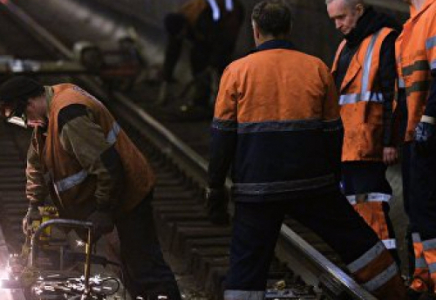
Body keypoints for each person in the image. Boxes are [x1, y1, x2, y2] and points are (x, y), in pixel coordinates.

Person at [205, 1, 407, 299]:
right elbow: (332, 132)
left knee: (246, 265)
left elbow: (222, 138)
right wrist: (330, 179)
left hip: (256, 187)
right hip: (312, 182)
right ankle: (395, 293)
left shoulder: (236, 72)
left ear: (255, 30)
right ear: (289, 28)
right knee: (357, 241)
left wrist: (216, 188)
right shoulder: (316, 68)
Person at [0, 76, 181, 300]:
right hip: (112, 194)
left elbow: (108, 166)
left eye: (21, 117)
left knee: (145, 268)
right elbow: (35, 164)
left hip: (127, 194)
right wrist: (33, 205)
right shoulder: (47, 115)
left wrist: (103, 209)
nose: (26, 124)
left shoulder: (69, 116)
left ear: (29, 103)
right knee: (124, 266)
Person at [326, 0, 401, 264]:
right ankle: (372, 272)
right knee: (357, 208)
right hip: (348, 142)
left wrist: (390, 141)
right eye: (333, 19)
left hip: (369, 141)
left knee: (371, 205)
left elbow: (393, 95)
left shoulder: (384, 40)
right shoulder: (346, 46)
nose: (338, 25)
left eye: (342, 17)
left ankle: (387, 269)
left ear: (358, 9)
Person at [396, 0, 436, 299]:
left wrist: (428, 121)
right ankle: (424, 276)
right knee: (418, 210)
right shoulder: (410, 26)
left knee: (428, 209)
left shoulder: (432, 14)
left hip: (428, 132)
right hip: (416, 133)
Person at [160, 0, 244, 110]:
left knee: (220, 62)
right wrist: (166, 80)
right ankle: (201, 100)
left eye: (182, 34)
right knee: (198, 56)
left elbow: (221, 42)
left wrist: (212, 64)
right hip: (213, 21)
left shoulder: (203, 19)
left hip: (230, 14)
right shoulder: (177, 23)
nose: (182, 38)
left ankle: (228, 103)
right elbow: (172, 51)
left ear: (185, 25)